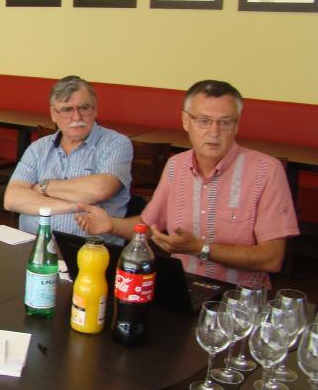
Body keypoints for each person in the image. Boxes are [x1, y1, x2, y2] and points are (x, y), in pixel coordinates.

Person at [76, 80, 299, 289]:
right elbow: (148, 225)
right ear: (186, 121)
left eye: (225, 123)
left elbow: (272, 258)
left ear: (237, 125)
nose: (214, 132)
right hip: (182, 289)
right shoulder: (176, 166)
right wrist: (111, 224)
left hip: (238, 300)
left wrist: (200, 249)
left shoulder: (266, 171)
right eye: (203, 121)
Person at [3, 76, 132, 244]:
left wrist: (43, 187)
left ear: (95, 110)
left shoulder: (116, 144)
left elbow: (99, 190)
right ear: (53, 114)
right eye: (67, 109)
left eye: (84, 108)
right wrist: (73, 206)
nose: (76, 117)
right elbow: (12, 199)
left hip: (89, 252)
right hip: (32, 246)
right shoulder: (38, 148)